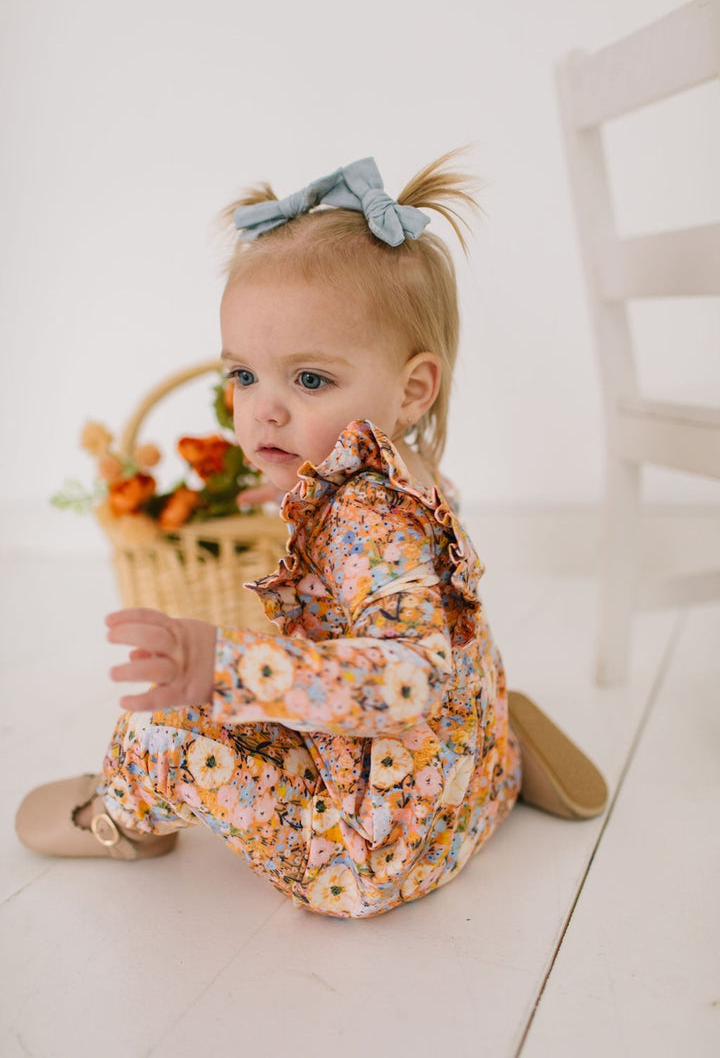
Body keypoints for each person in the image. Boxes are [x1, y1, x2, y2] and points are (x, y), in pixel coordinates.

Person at [15, 154, 607, 918]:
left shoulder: (368, 519)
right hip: (446, 787)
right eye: (244, 375)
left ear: (413, 386)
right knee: (422, 671)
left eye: (310, 381)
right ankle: (496, 759)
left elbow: (405, 677)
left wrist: (222, 665)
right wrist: (302, 487)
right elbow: (403, 570)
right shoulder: (400, 467)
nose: (262, 409)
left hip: (361, 853)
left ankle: (121, 819)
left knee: (161, 727)